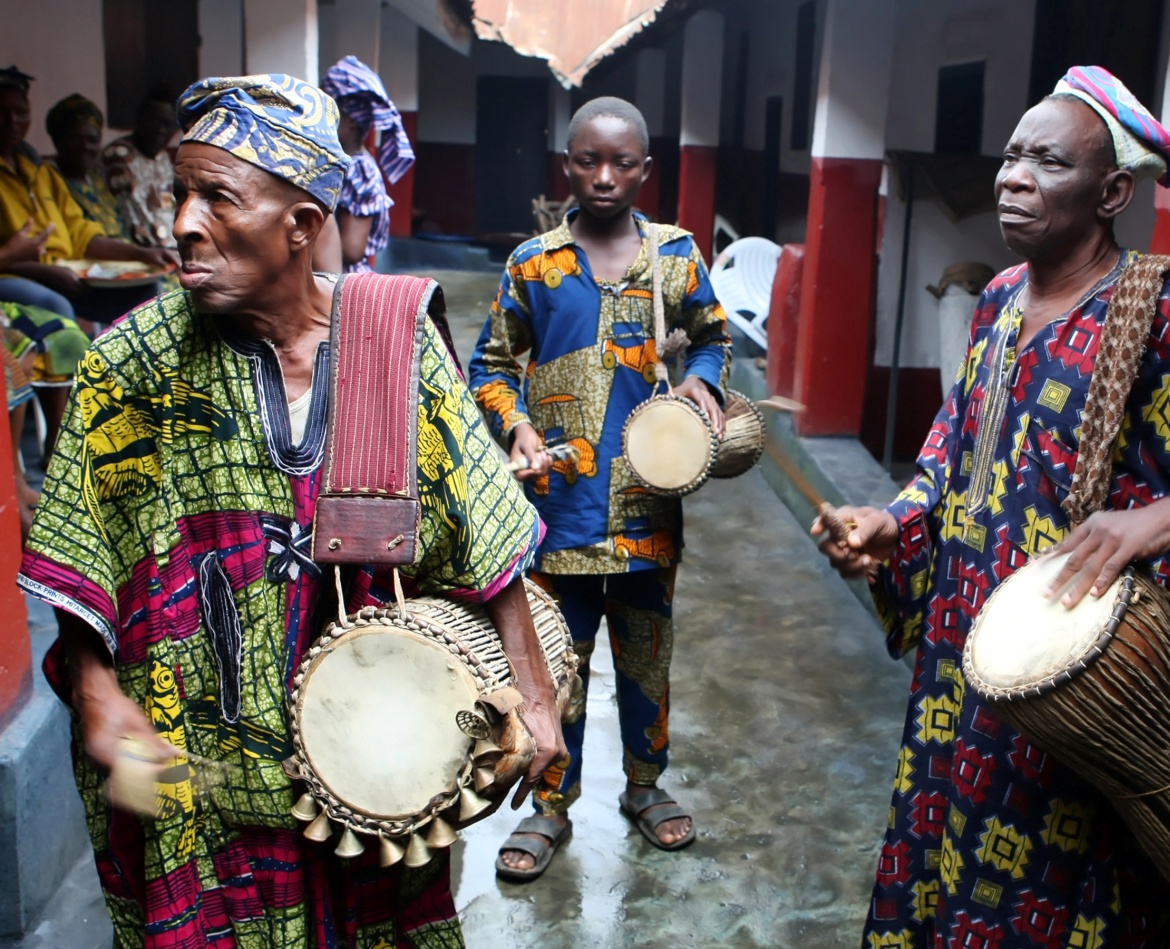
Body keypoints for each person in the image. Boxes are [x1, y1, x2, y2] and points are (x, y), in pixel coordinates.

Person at [814, 66, 1170, 947]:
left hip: (1077, 691)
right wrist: (896, 522)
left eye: (1048, 161)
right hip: (966, 669)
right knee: (946, 862)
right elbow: (952, 456)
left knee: (1065, 895)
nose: (1013, 176)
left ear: (1111, 191)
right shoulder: (996, 302)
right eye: (1010, 156)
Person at [19, 73, 565, 947]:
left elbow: (485, 534)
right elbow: (82, 566)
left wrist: (535, 695)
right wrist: (93, 694)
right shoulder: (128, 366)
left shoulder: (393, 340)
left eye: (217, 197)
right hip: (193, 784)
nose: (185, 222)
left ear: (303, 226)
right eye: (182, 191)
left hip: (370, 776)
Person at [470, 96, 730, 880]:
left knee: (649, 660)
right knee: (558, 666)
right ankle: (551, 804)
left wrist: (703, 387)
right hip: (559, 515)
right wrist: (515, 425)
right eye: (589, 160)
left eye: (622, 162)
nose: (605, 176)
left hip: (651, 512)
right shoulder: (534, 263)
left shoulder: (678, 258)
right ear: (568, 165)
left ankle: (645, 787)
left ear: (647, 170)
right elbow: (490, 365)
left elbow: (714, 340)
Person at [0, 67, 177, 325]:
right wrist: (44, 271)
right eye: (2, 112)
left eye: (20, 112)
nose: (12, 120)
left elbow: (81, 233)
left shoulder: (40, 173)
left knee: (146, 294)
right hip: (15, 276)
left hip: (67, 272)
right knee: (55, 306)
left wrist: (142, 254)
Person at [318, 55, 413, 272]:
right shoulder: (340, 163)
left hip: (342, 284)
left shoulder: (359, 170)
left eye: (329, 110)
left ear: (351, 119)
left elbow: (351, 250)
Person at [102, 85, 178, 248]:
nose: (160, 130)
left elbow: (169, 207)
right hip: (137, 247)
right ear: (140, 119)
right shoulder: (118, 156)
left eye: (168, 124)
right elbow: (133, 220)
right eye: (154, 120)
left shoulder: (162, 157)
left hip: (170, 245)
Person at [46, 93, 126, 239]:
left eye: (92, 140)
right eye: (74, 139)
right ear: (58, 141)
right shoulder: (48, 178)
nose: (84, 147)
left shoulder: (96, 179)